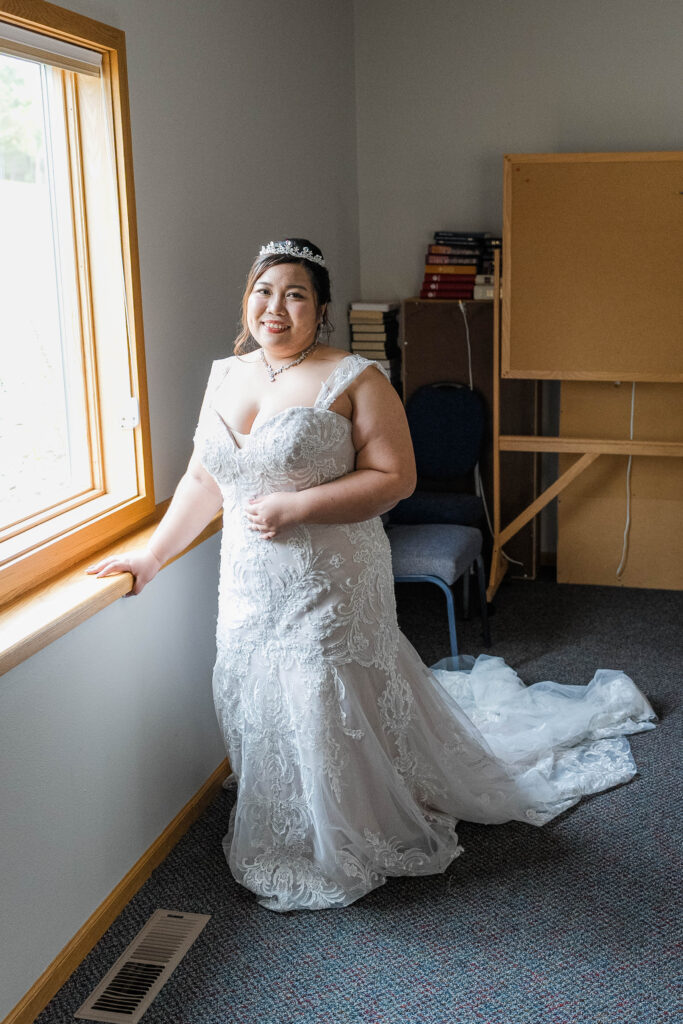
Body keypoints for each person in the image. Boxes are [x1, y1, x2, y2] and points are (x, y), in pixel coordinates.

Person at [87, 239, 656, 912]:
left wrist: (298, 504)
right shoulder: (225, 375)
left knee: (322, 690)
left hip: (330, 572)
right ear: (247, 300)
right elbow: (201, 479)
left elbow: (395, 479)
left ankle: (349, 830)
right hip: (248, 579)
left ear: (320, 309)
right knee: (255, 685)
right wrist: (151, 557)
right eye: (263, 291)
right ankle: (291, 812)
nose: (276, 307)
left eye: (295, 294)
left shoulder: (355, 376)